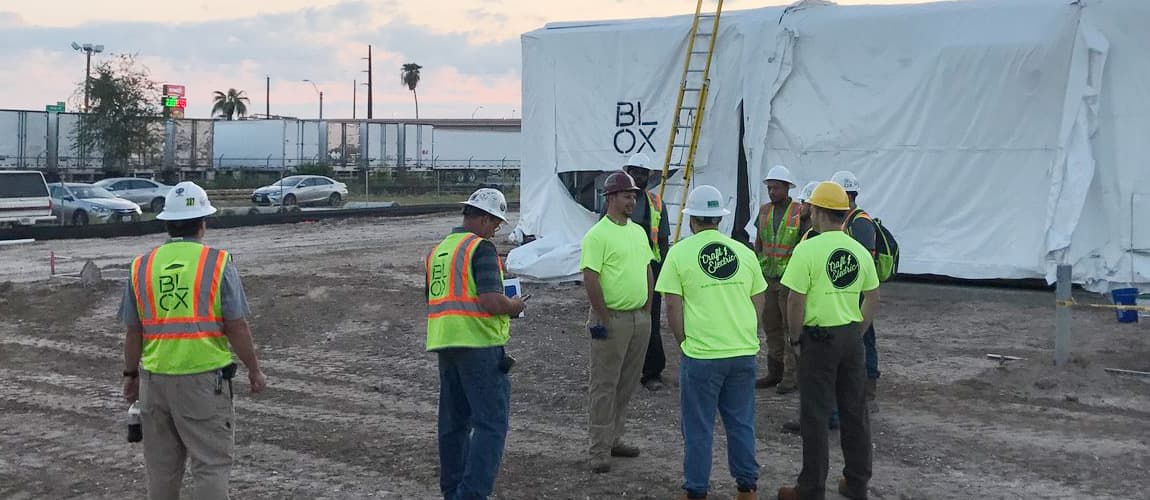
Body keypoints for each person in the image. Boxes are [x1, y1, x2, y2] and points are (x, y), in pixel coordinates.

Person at [120, 181, 267, 500]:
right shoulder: (217, 263)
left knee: (161, 471)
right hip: (203, 383)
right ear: (203, 223)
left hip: (154, 383)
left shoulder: (141, 266)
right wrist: (254, 369)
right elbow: (236, 325)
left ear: (168, 225)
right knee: (210, 466)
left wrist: (130, 376)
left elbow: (134, 332)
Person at [656, 185, 766, 500]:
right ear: (719, 219)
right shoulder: (744, 253)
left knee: (699, 426)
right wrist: (745, 329)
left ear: (692, 219)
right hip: (743, 350)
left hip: (702, 353)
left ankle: (696, 490)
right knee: (741, 422)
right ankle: (747, 488)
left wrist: (683, 341)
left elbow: (673, 306)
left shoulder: (679, 253)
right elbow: (758, 298)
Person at [776, 182, 880, 500]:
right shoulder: (858, 250)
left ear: (819, 212)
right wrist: (858, 331)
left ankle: (810, 488)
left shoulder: (808, 248)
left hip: (819, 340)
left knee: (815, 414)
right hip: (850, 337)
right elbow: (873, 296)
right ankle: (856, 482)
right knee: (854, 411)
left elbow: (795, 300)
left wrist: (795, 340)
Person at [425, 188, 527, 500]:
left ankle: (453, 491)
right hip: (479, 345)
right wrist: (515, 306)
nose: (496, 230)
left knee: (453, 425)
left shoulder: (439, 251)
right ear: (483, 219)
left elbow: (433, 298)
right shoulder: (480, 249)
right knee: (491, 425)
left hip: (445, 343)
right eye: (495, 223)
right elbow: (491, 301)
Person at [581, 170, 655, 473]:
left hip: (639, 319)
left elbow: (647, 269)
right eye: (627, 195)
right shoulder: (597, 235)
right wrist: (603, 314)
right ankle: (598, 448)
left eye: (634, 195)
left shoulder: (638, 231)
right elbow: (590, 277)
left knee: (626, 383)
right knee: (604, 384)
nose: (633, 200)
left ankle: (615, 438)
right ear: (611, 198)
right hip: (611, 318)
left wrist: (648, 309)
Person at [830, 170, 881, 412]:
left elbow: (862, 259)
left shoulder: (860, 222)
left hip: (858, 290)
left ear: (847, 194)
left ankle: (868, 392)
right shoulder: (848, 220)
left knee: (864, 337)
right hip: (849, 289)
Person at [622, 153, 672, 392]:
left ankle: (652, 371)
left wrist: (661, 271)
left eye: (643, 173)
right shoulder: (616, 200)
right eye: (635, 172)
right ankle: (626, 370)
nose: (638, 176)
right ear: (628, 172)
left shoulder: (656, 202)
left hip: (650, 268)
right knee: (622, 319)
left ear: (649, 176)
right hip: (623, 267)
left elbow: (663, 240)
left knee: (649, 320)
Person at [753, 165, 802, 394]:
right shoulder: (763, 211)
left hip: (789, 280)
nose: (772, 192)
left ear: (787, 188)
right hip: (768, 278)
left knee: (789, 327)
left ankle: (791, 377)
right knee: (771, 326)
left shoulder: (800, 213)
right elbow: (759, 243)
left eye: (776, 188)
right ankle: (775, 372)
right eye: (769, 188)